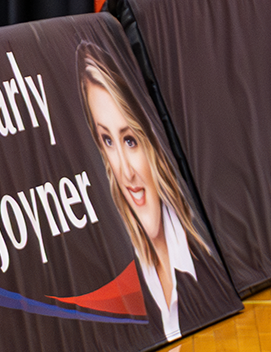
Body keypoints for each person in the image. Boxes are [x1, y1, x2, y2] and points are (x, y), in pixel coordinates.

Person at [78, 40, 215, 341]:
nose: (126, 171)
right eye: (108, 141)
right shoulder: (128, 281)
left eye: (130, 140)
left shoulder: (206, 261)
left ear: (152, 136)